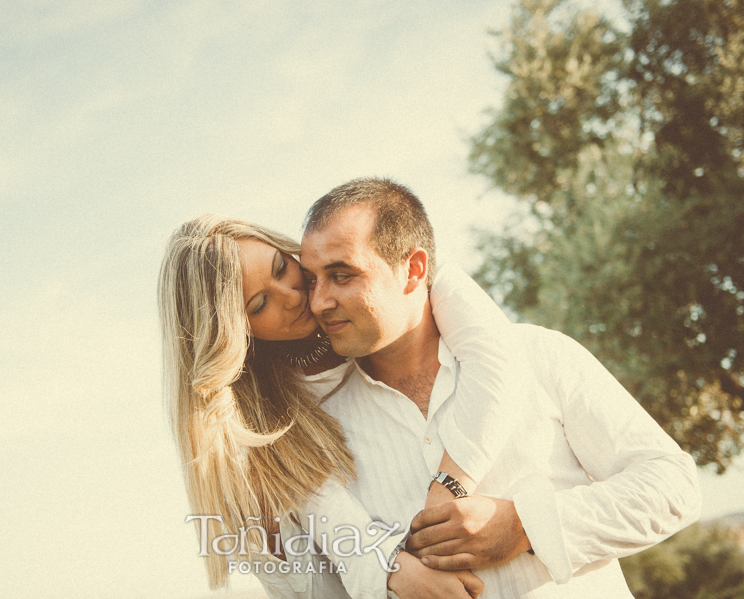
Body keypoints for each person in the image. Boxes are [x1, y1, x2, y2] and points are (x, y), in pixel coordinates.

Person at [297, 177, 702, 597]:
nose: (319, 301)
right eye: (311, 280)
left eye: (342, 275)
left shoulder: (540, 355)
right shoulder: (322, 428)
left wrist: (524, 526)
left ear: (413, 269)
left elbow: (673, 486)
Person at [158, 214, 526, 598]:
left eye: (282, 267)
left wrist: (451, 485)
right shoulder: (262, 426)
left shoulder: (386, 274)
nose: (293, 296)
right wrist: (387, 569)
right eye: (260, 303)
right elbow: (322, 509)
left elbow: (497, 356)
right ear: (233, 332)